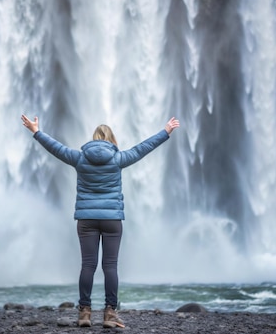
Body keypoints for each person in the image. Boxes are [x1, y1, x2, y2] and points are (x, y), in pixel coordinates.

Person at [21, 114, 180, 328]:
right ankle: (110, 313)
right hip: (112, 220)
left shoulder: (79, 158)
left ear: (93, 138)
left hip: (86, 219)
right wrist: (165, 131)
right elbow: (144, 148)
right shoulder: (118, 158)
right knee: (110, 266)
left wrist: (36, 131)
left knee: (88, 265)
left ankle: (85, 312)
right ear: (111, 139)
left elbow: (55, 148)